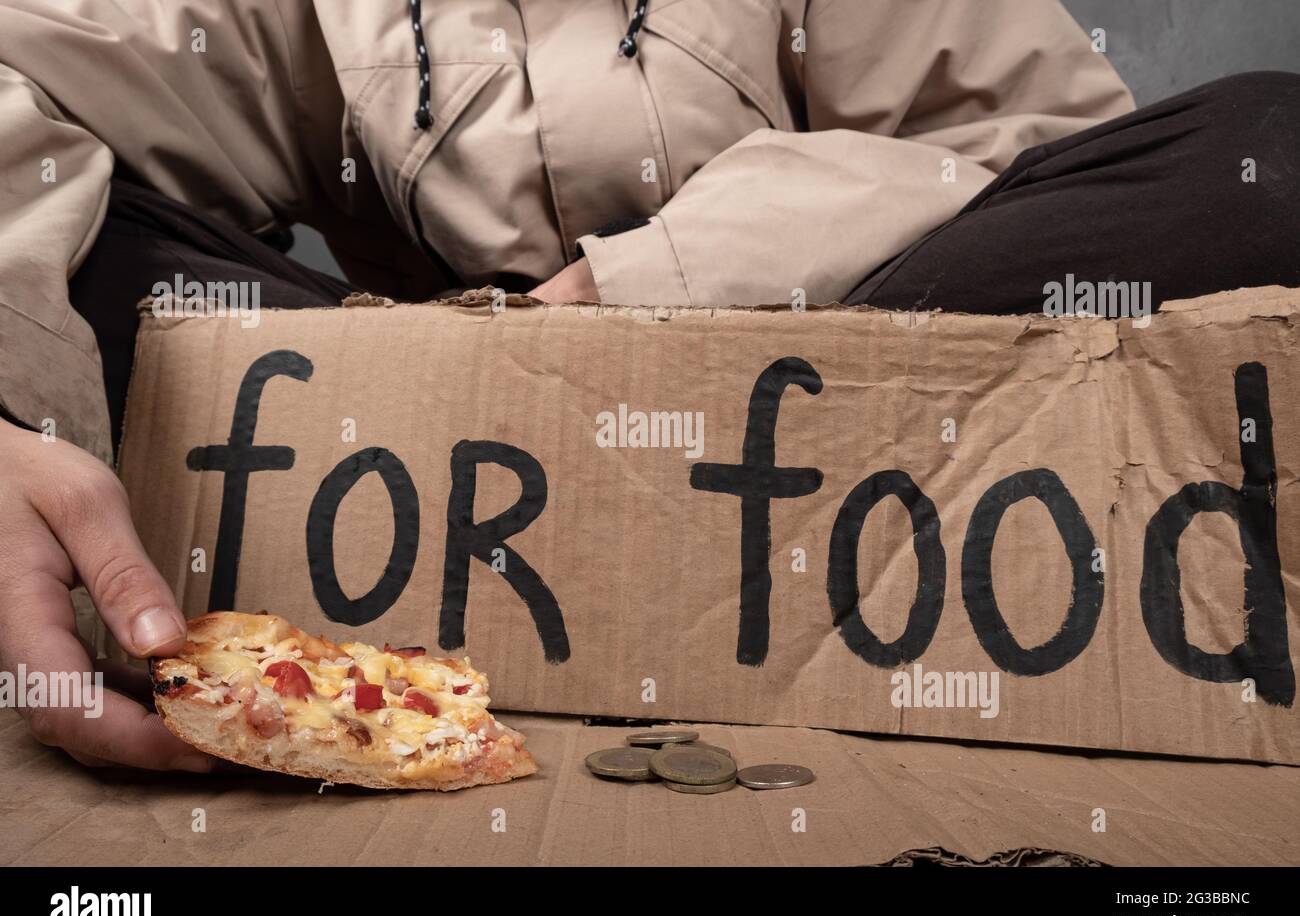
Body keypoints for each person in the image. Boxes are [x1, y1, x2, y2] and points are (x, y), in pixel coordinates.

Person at [0, 0, 1295, 772]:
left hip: (826, 399)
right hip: (438, 442)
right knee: (70, 236)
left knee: (1265, 150)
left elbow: (1060, 160)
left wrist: (644, 285)